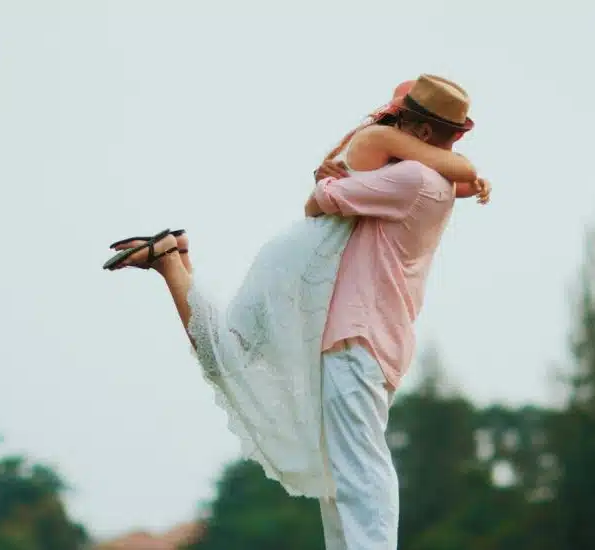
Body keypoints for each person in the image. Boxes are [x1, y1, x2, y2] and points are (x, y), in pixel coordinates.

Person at [103, 74, 490, 549]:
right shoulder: (427, 176)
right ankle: (171, 262)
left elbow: (319, 199)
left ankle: (171, 261)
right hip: (354, 329)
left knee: (355, 466)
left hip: (358, 332)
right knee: (346, 466)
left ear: (423, 133)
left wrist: (359, 155)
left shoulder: (413, 177)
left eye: (404, 122)